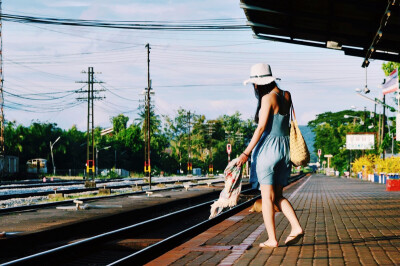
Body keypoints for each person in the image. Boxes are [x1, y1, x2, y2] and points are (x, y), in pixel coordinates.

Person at [236, 63, 303, 248]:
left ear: (259, 83)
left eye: (254, 84)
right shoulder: (286, 95)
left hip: (268, 149)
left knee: (267, 198)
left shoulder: (268, 98)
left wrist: (245, 153)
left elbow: (261, 128)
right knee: (278, 196)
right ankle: (296, 227)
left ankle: (272, 239)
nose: (255, 88)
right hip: (284, 151)